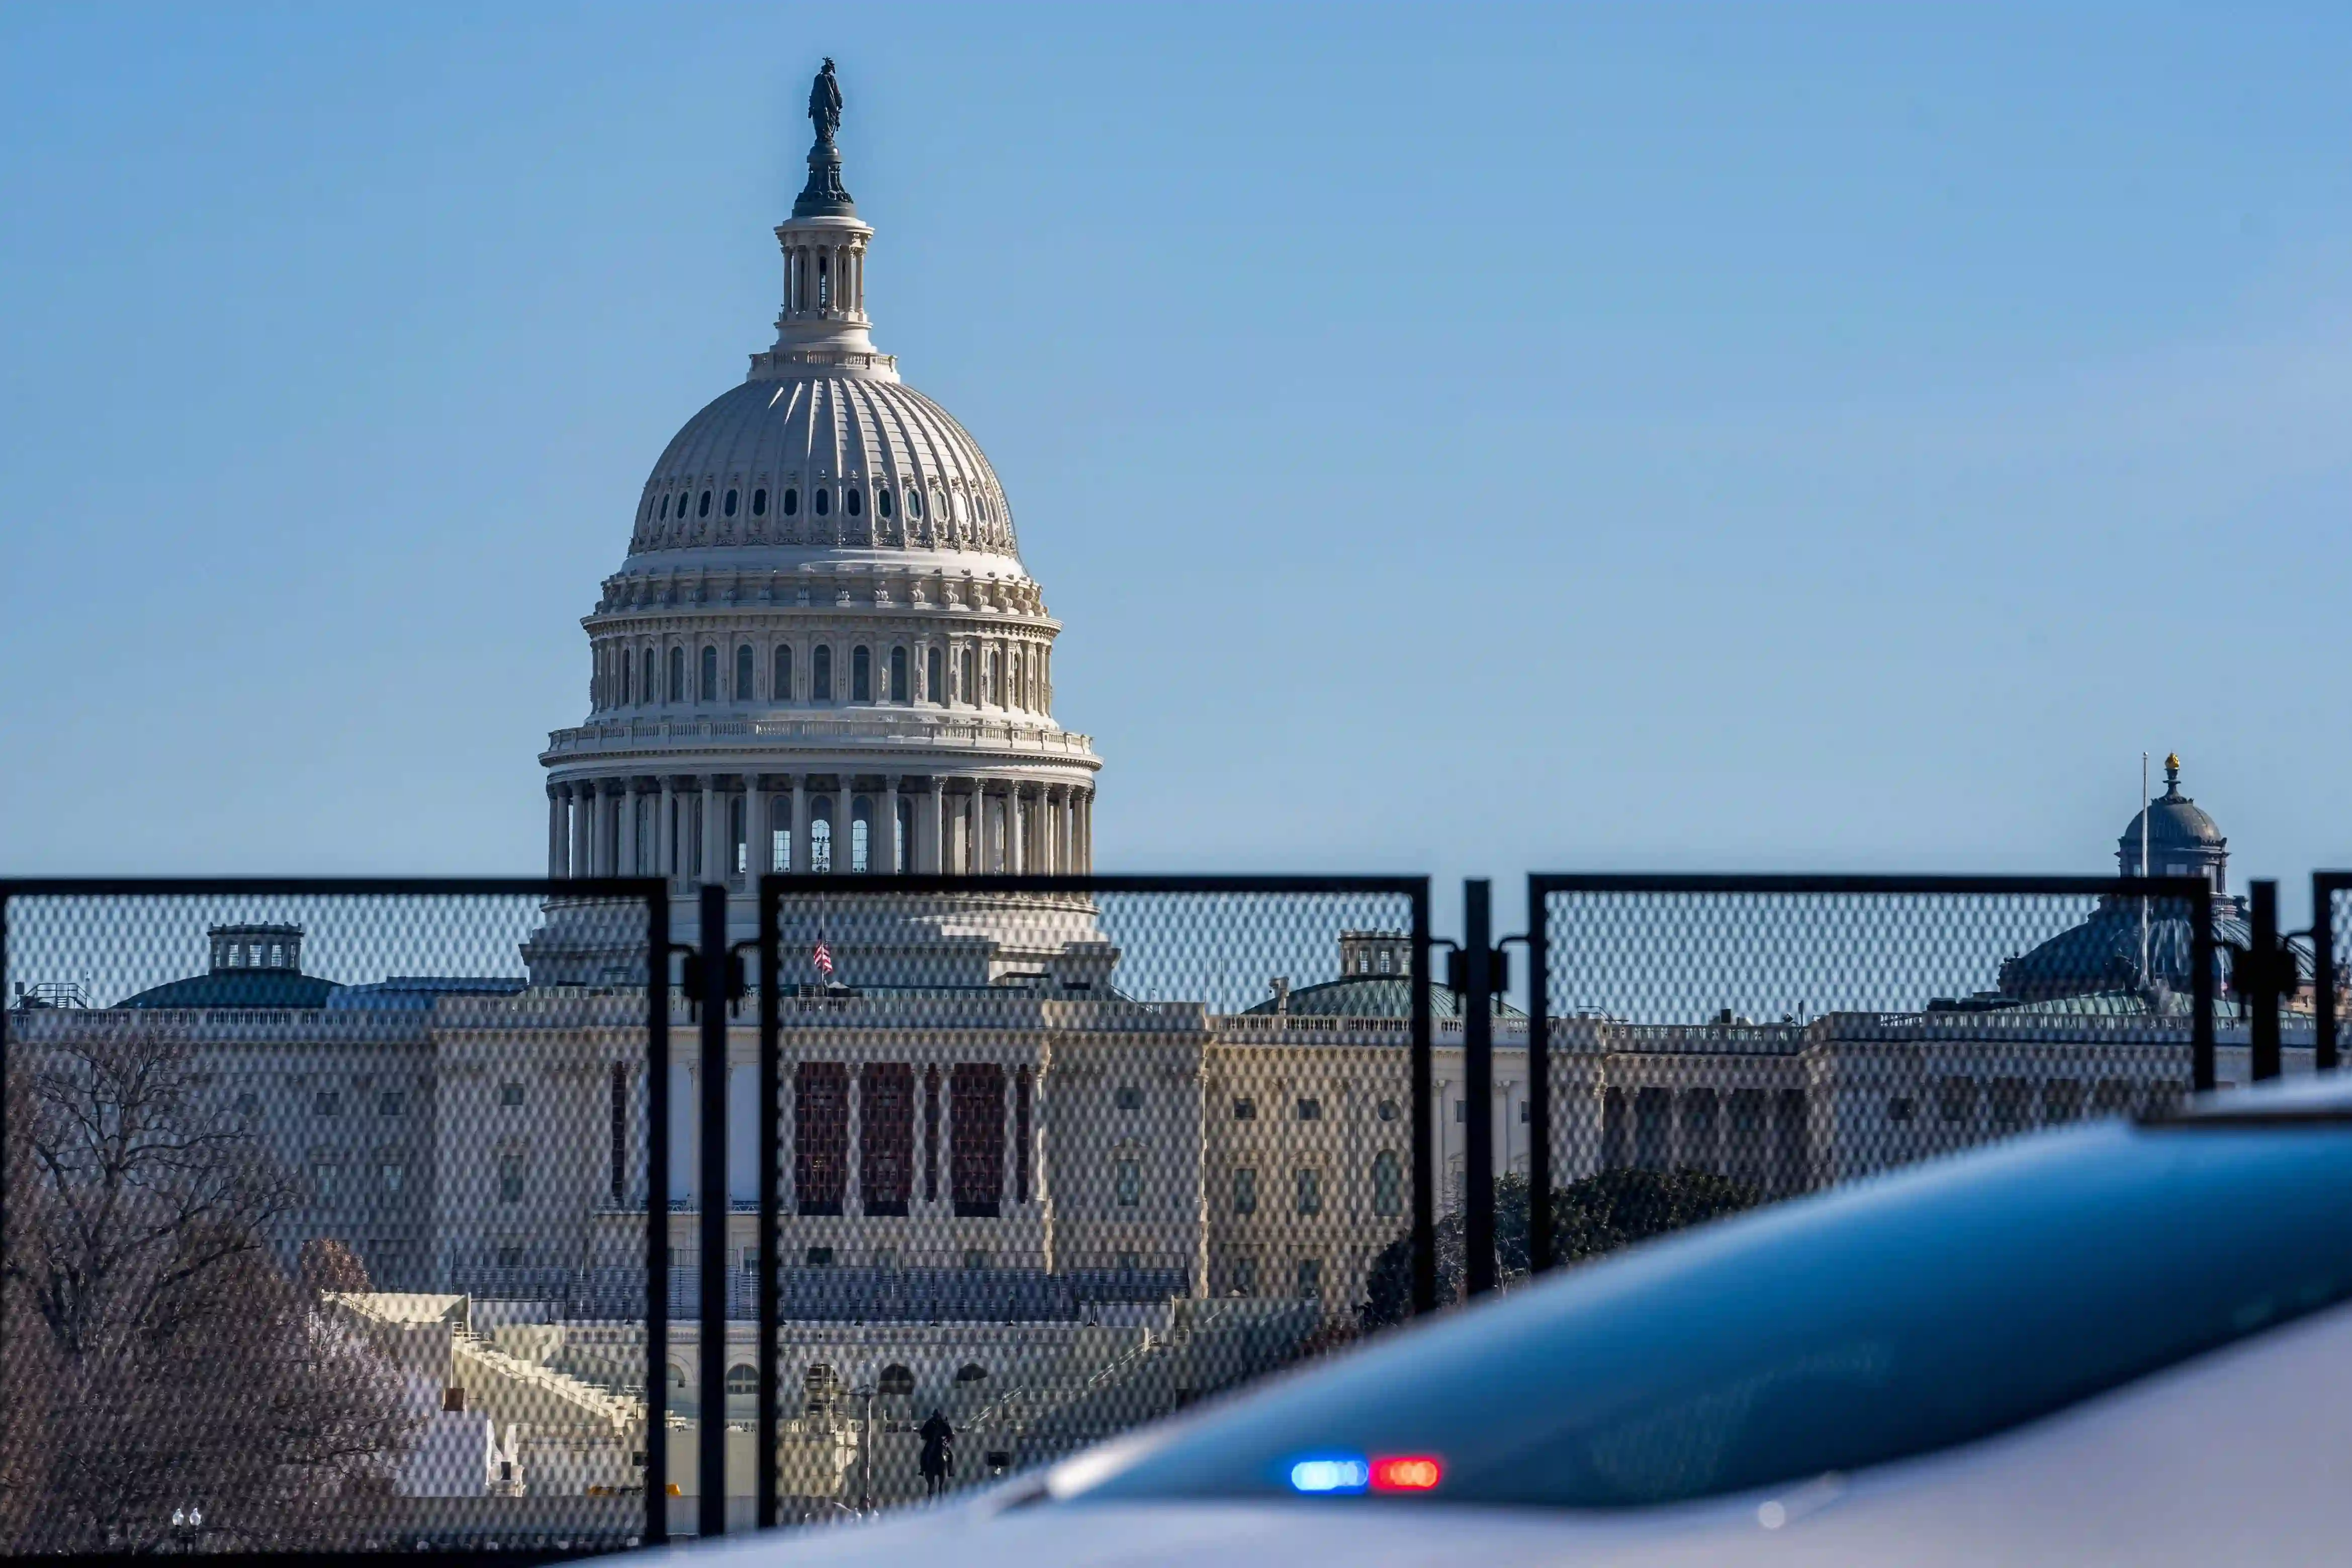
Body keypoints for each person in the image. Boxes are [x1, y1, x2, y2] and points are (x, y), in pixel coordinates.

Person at [918, 1407, 954, 1497]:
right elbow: (923, 1433)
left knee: (950, 1455)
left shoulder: (944, 1423)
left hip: (941, 1443)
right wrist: (925, 1436)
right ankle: (922, 1469)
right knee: (923, 1454)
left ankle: (950, 1470)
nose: (937, 1418)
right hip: (931, 1442)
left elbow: (950, 1435)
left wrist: (946, 1440)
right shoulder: (930, 1423)